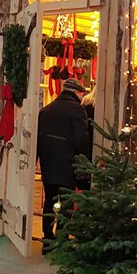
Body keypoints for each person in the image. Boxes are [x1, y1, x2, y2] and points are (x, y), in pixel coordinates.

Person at [36, 77, 90, 250]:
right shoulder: (77, 110)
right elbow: (80, 139)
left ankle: (47, 238)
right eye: (81, 94)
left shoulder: (46, 110)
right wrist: (84, 162)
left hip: (48, 162)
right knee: (66, 203)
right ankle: (61, 239)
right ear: (77, 93)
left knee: (49, 200)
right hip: (68, 164)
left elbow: (38, 138)